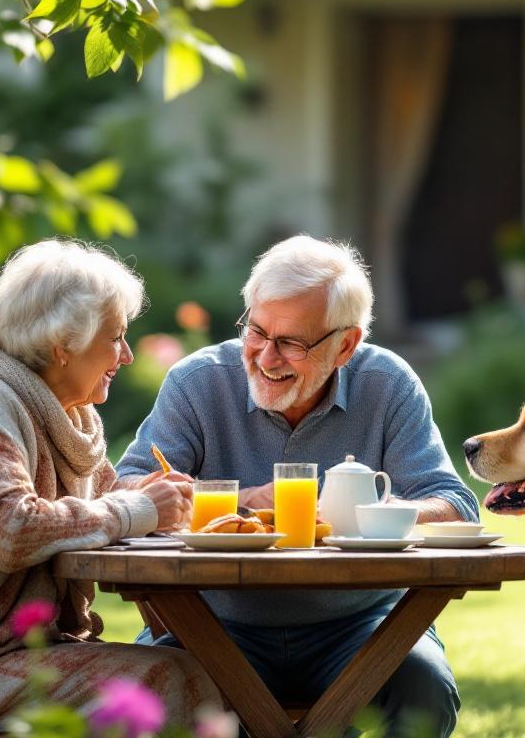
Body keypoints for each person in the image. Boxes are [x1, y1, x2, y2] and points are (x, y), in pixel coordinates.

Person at [115, 234, 479, 737]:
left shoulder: (388, 385)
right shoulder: (199, 381)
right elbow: (128, 484)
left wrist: (375, 515)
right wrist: (242, 503)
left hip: (361, 627)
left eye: (292, 343)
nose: (266, 357)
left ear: (345, 344)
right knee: (162, 693)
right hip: (213, 623)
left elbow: (457, 504)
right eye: (257, 332)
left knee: (424, 687)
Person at [0, 239, 219, 737]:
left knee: (197, 665)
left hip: (19, 654)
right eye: (115, 338)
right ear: (63, 344)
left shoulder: (64, 416)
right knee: (167, 676)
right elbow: (7, 528)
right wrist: (137, 507)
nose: (129, 355)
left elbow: (108, 502)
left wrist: (155, 499)